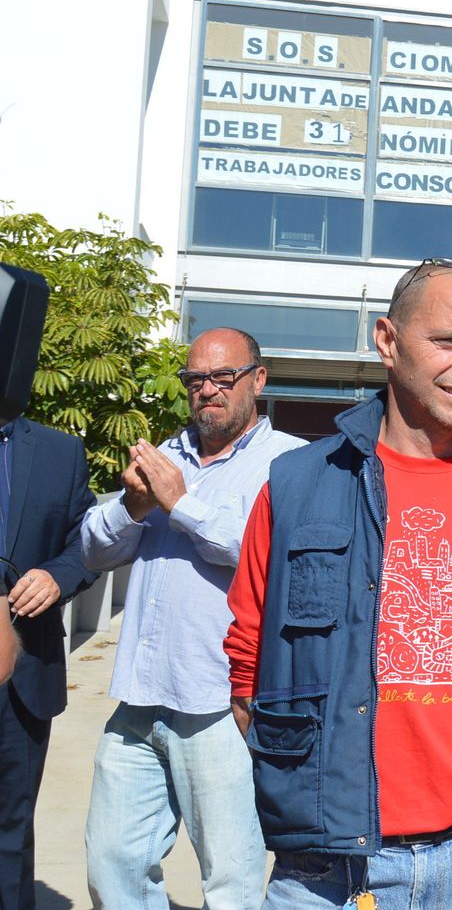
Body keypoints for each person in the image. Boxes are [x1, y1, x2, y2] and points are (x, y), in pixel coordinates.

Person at [224, 258, 452, 909]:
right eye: (448, 341)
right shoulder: (299, 486)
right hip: (327, 872)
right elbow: (249, 657)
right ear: (387, 341)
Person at [80, 327, 305, 908]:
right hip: (140, 696)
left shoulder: (290, 464)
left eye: (222, 377)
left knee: (229, 881)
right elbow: (93, 552)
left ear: (258, 379)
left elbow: (268, 550)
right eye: (195, 379)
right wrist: (133, 507)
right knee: (112, 862)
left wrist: (180, 504)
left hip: (219, 703)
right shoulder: (165, 455)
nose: (207, 390)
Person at [0, 415, 95, 910]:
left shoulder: (62, 453)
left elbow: (87, 541)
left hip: (24, 672)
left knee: (11, 828)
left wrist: (58, 576)